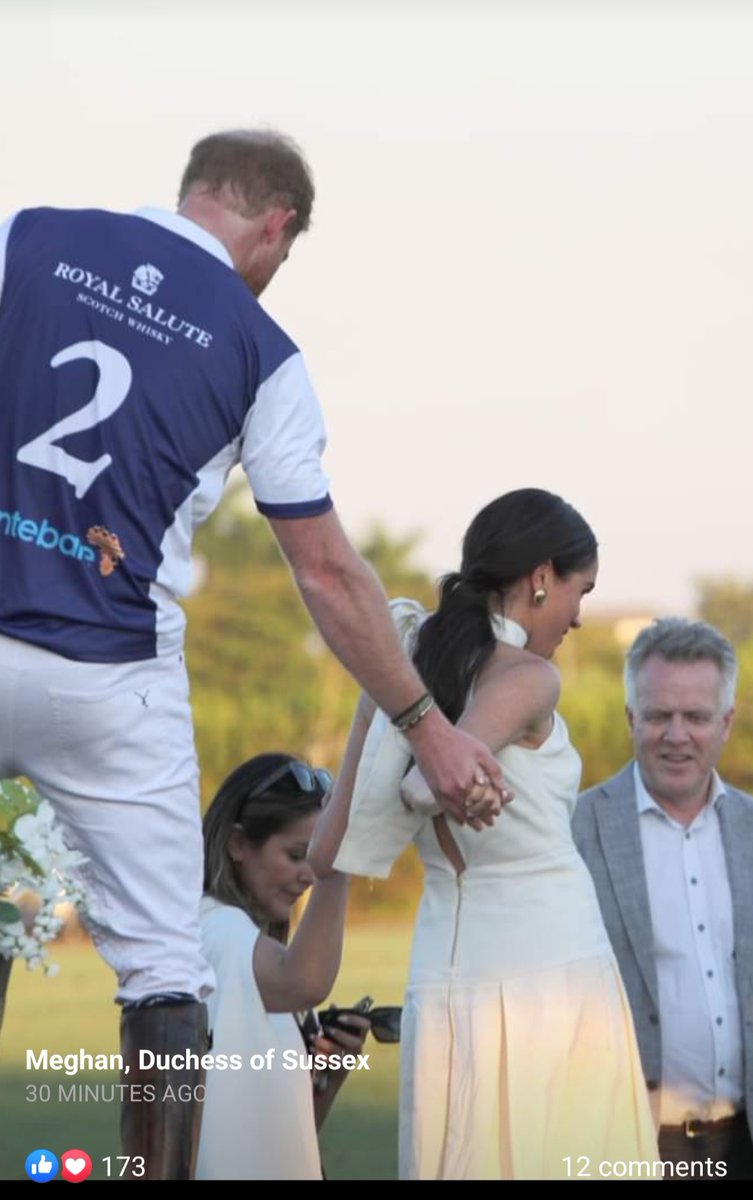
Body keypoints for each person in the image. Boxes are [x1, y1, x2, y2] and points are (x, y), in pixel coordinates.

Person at [0, 129, 501, 1176]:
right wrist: (427, 727)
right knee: (163, 974)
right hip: (110, 672)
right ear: (275, 226)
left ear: (193, 191)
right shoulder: (264, 351)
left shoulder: (29, 238)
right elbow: (324, 571)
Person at [310, 488, 658, 1180]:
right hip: (548, 965)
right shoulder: (529, 678)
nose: (579, 616)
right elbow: (434, 777)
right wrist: (448, 783)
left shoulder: (406, 673)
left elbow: (326, 851)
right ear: (539, 577)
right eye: (577, 591)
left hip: (445, 966)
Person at [574, 617, 753, 1180]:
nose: (677, 736)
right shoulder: (574, 830)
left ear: (725, 722)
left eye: (696, 717)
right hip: (624, 1142)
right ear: (632, 717)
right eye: (658, 716)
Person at [196, 751, 367, 1180]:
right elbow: (305, 981)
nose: (310, 873)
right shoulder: (214, 928)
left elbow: (289, 1129)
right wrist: (338, 861)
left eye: (316, 857)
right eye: (297, 854)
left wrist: (328, 1072)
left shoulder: (255, 947)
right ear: (238, 844)